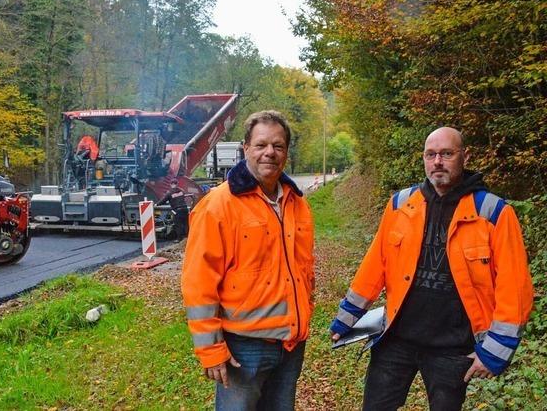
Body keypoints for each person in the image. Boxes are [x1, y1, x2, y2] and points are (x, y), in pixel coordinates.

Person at [329, 127, 534, 410]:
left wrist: (495, 351)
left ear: (465, 156)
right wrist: (347, 317)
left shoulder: (493, 213)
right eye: (431, 155)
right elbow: (375, 265)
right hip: (396, 340)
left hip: (452, 348)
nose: (437, 161)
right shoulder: (401, 205)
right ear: (424, 159)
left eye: (447, 154)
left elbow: (515, 287)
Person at [181, 110, 315, 410]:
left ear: (286, 152)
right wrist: (211, 348)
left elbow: (304, 269)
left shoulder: (298, 203)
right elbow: (198, 282)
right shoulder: (218, 205)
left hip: (291, 345)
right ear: (246, 149)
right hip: (243, 349)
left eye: (278, 146)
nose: (270, 152)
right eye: (261, 145)